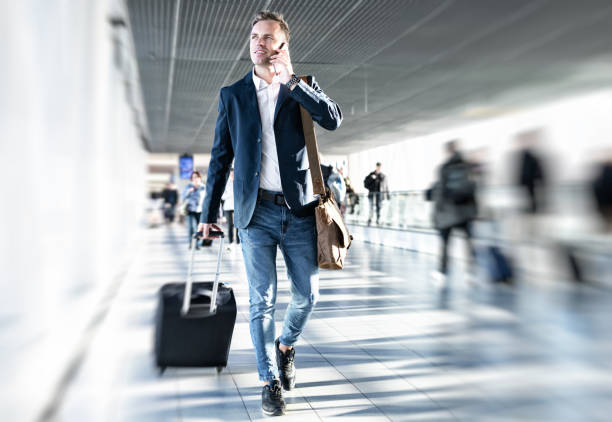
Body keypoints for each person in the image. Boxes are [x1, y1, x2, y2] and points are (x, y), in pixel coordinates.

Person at [197, 10, 342, 416]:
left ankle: (286, 345)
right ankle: (268, 380)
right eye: (255, 36)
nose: (259, 43)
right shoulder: (233, 95)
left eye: (268, 37)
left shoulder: (301, 87)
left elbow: (332, 119)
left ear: (283, 47)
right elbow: (220, 158)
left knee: (307, 295)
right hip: (254, 213)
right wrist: (207, 213)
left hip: (298, 211)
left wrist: (293, 82)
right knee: (261, 302)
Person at [431, 140, 478, 286]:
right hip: (466, 213)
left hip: (448, 213)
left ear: (447, 151)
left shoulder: (444, 168)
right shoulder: (468, 166)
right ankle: (470, 273)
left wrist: (437, 215)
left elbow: (441, 193)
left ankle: (442, 272)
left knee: (445, 244)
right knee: (468, 243)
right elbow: (473, 189)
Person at [515, 130, 547, 214]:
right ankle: (533, 207)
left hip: (529, 179)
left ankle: (533, 207)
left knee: (531, 194)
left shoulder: (528, 156)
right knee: (530, 194)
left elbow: (529, 169)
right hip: (528, 179)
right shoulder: (526, 156)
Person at [182, 171, 205, 249]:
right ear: (191, 179)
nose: (195, 179)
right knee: (191, 227)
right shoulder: (188, 187)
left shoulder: (203, 187)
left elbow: (207, 198)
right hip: (190, 210)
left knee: (199, 228)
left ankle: (198, 244)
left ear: (199, 178)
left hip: (200, 210)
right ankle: (191, 243)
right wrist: (188, 192)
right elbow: (183, 197)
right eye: (193, 177)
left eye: (196, 177)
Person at [592, 151, 612, 232]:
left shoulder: (600, 179)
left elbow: (596, 191)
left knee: (607, 227)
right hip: (605, 206)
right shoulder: (601, 178)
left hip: (604, 207)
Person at [221, 168, 239, 248]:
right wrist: (231, 195)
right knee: (230, 225)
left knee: (238, 225)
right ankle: (231, 241)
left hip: (237, 207)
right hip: (228, 207)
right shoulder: (225, 184)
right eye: (231, 174)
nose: (232, 175)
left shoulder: (238, 182)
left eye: (234, 174)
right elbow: (223, 197)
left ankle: (238, 242)